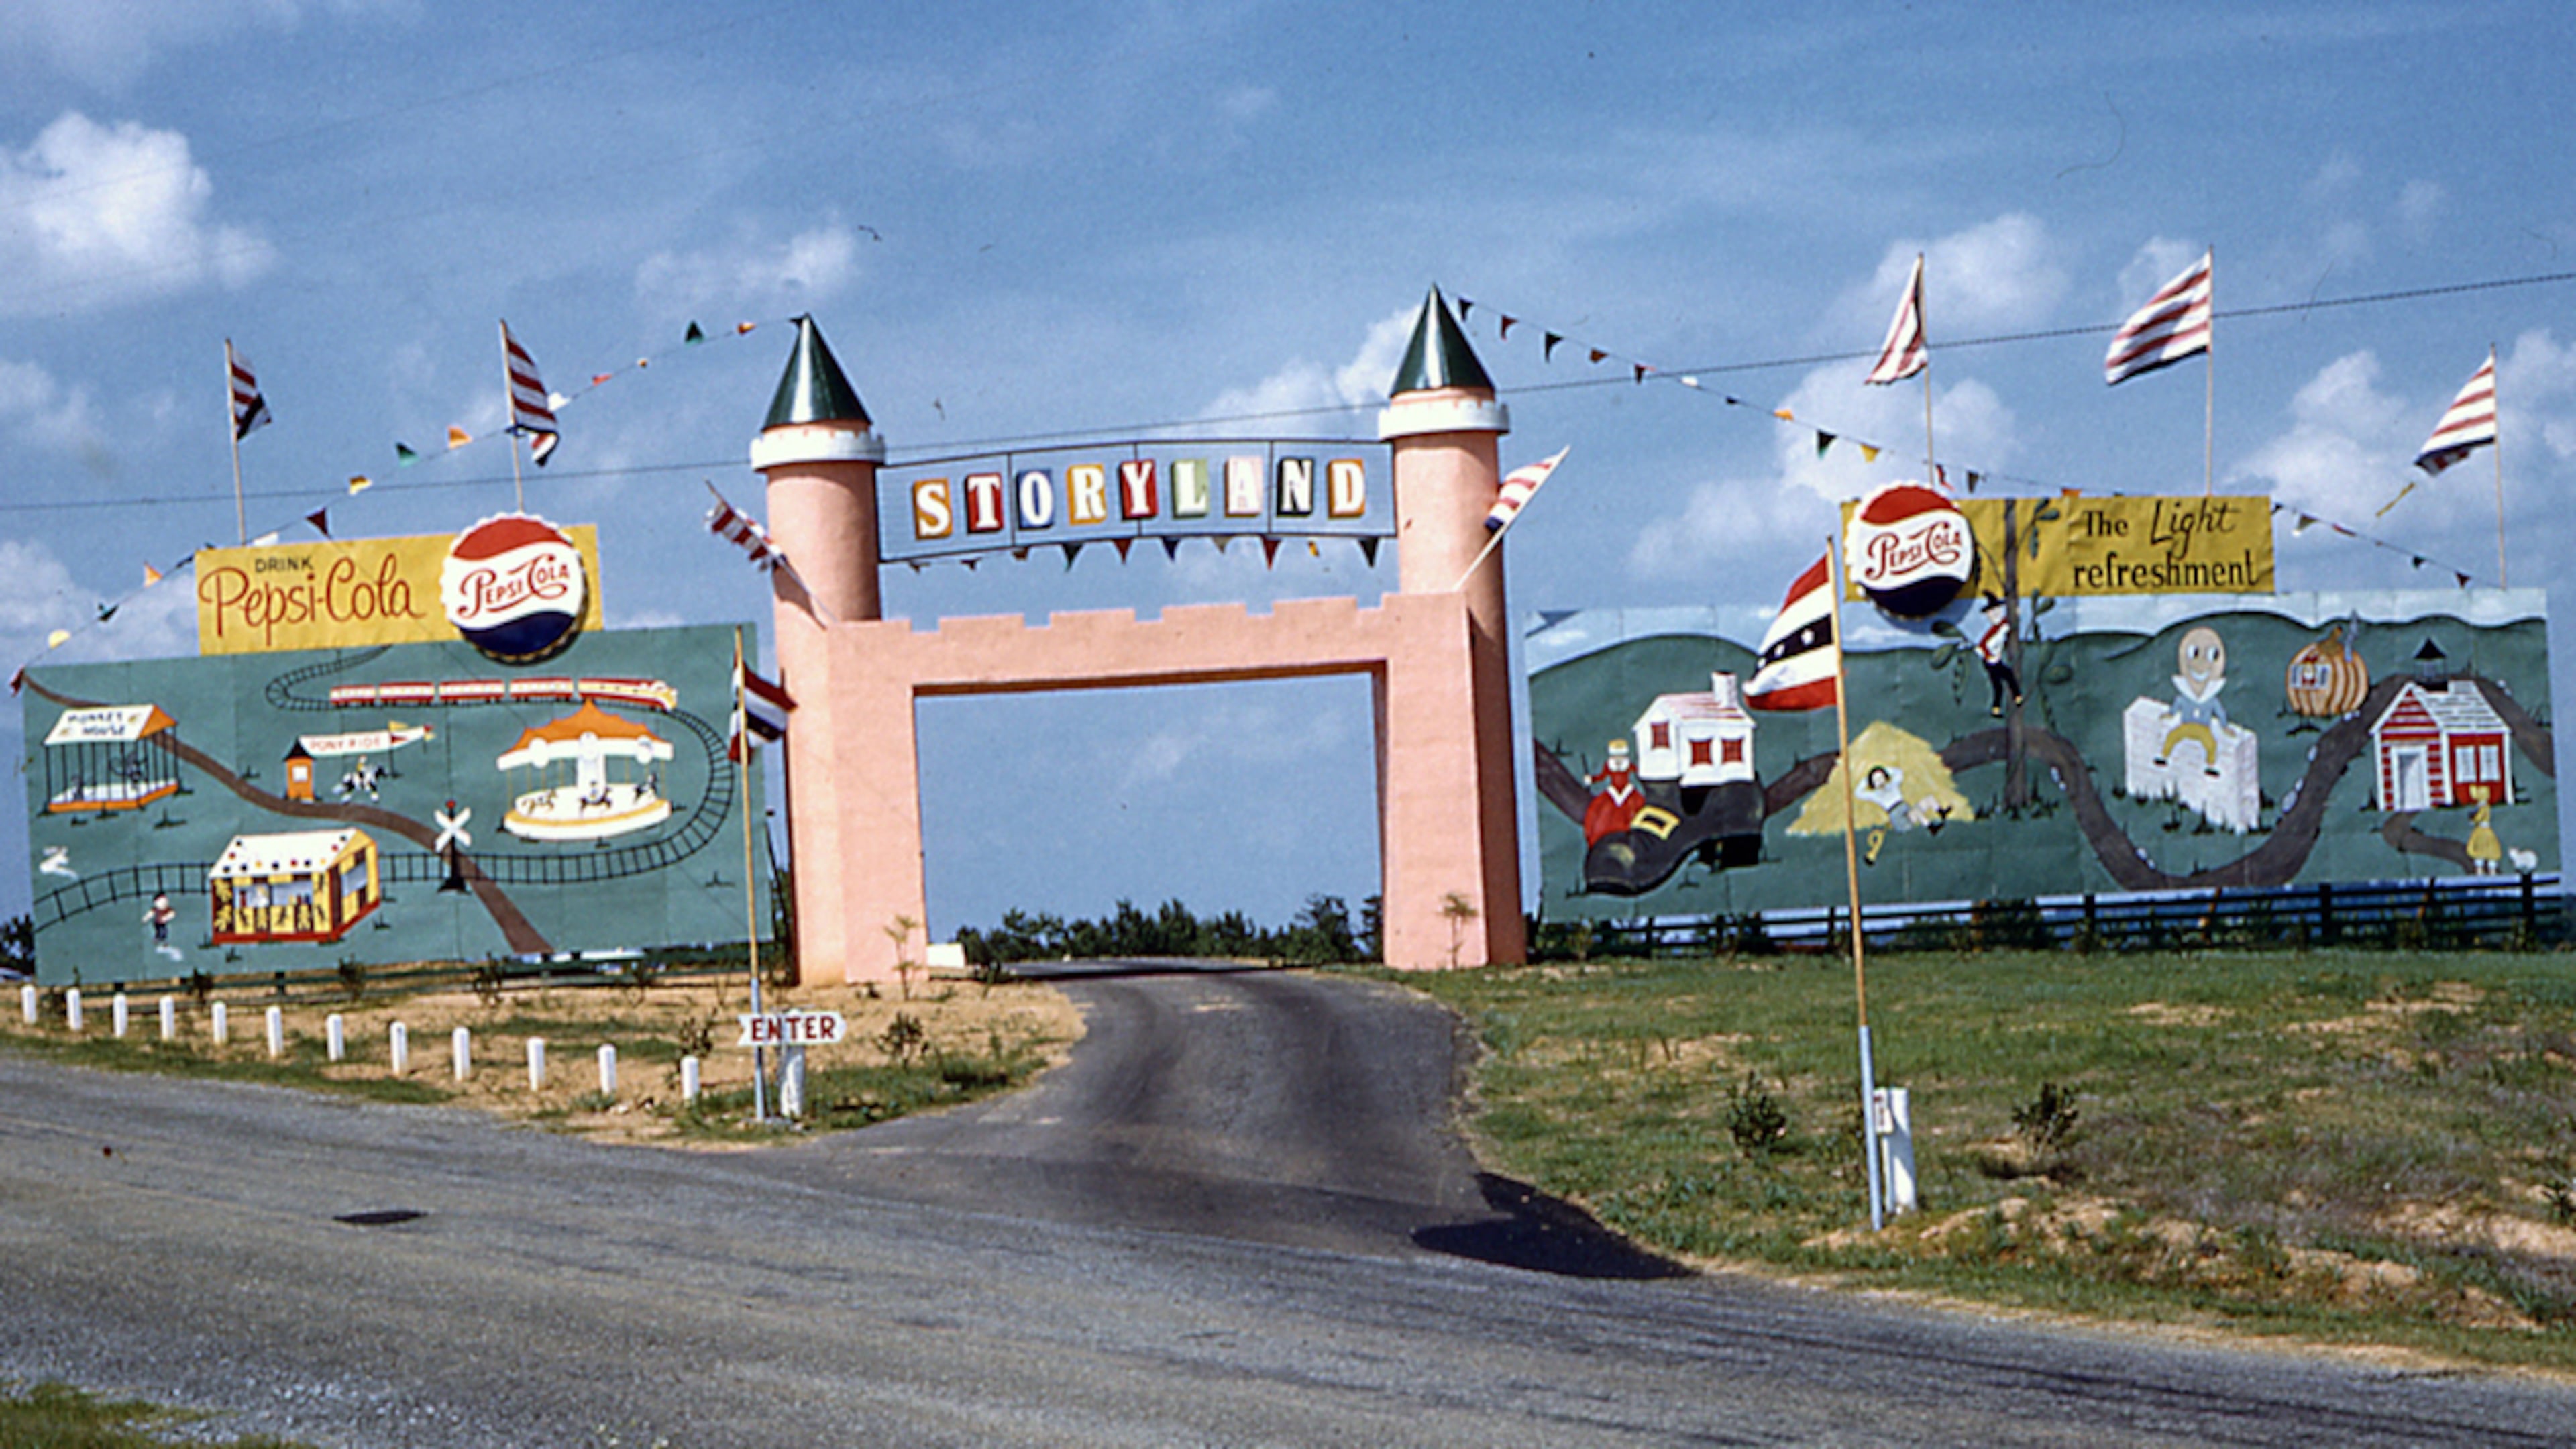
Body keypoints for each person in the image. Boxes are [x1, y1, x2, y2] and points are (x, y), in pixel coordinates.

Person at [1582, 739, 1644, 845]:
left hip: (1628, 791)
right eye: (1616, 756)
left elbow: (1639, 772)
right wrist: (1592, 779)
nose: (1618, 758)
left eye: (1621, 755)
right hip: (1612, 791)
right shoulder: (1609, 765)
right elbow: (1602, 776)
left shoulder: (1629, 765)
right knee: (1599, 809)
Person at [1974, 596, 2022, 718]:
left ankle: (2016, 698)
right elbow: (1981, 648)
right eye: (1992, 612)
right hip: (1991, 662)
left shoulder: (2002, 625)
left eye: (1997, 610)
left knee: (2008, 677)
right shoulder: (1991, 634)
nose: (1995, 614)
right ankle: (1999, 707)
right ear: (1988, 614)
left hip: (1997, 659)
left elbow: (2010, 622)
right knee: (2000, 684)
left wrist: (2016, 614)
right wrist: (1990, 656)